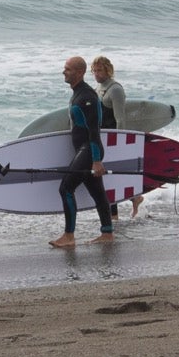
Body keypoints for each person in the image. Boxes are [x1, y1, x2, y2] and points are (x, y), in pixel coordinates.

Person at [50, 56, 114, 248]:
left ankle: (69, 236)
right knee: (98, 192)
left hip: (89, 150)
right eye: (64, 68)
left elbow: (94, 130)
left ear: (79, 72)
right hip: (84, 151)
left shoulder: (87, 97)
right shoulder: (77, 93)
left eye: (68, 69)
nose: (64, 71)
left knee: (66, 188)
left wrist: (95, 160)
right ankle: (107, 233)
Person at [92, 55, 143, 219]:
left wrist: (120, 144)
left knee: (108, 179)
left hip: (112, 139)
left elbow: (121, 120)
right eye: (94, 70)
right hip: (102, 138)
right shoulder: (98, 88)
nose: (96, 74)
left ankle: (113, 216)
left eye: (99, 70)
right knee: (109, 178)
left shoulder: (115, 90)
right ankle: (136, 198)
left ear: (108, 70)